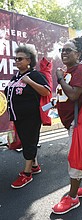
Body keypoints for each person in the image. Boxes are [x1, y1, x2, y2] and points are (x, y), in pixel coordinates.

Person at [52, 37, 82, 215]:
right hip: (72, 121)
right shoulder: (70, 70)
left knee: (76, 159)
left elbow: (74, 95)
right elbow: (65, 96)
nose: (63, 53)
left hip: (78, 122)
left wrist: (60, 79)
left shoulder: (81, 69)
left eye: (68, 50)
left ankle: (72, 198)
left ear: (78, 54)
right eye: (62, 50)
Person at [4, 45, 51, 188]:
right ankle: (35, 166)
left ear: (29, 60)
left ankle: (27, 174)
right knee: (25, 142)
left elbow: (46, 92)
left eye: (20, 58)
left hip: (31, 118)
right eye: (15, 58)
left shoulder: (35, 75)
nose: (16, 61)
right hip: (18, 117)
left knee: (29, 143)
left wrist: (29, 82)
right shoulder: (16, 76)